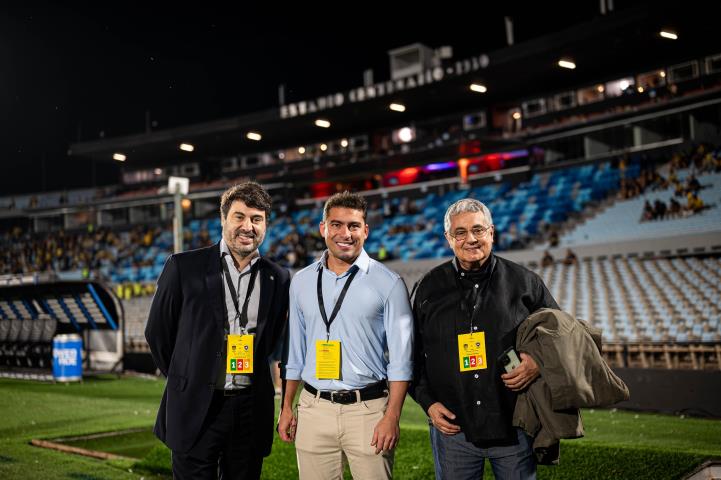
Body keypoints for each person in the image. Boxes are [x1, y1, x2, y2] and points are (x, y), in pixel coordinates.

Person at [145, 182, 290, 479]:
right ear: (223, 219)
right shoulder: (183, 267)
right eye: (239, 217)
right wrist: (188, 377)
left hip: (250, 409)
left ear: (265, 225)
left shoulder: (278, 277)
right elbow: (158, 333)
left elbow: (271, 338)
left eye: (256, 219)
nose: (248, 226)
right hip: (197, 407)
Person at [410, 198, 559, 480]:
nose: (471, 239)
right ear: (448, 239)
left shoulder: (525, 282)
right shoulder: (427, 287)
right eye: (461, 233)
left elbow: (559, 336)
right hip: (454, 429)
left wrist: (537, 362)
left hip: (514, 425)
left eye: (478, 230)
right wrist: (427, 402)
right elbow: (410, 355)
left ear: (491, 232)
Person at [278, 191, 414, 480]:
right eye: (337, 224)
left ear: (365, 230)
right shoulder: (301, 282)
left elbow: (402, 360)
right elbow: (295, 352)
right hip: (314, 408)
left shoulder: (389, 283)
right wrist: (287, 406)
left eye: (353, 226)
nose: (345, 233)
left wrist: (392, 416)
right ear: (323, 228)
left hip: (368, 410)